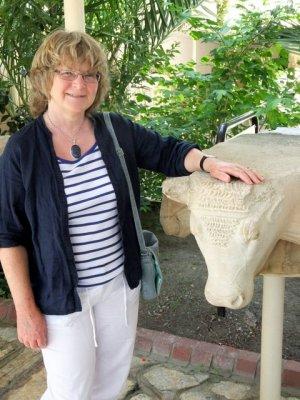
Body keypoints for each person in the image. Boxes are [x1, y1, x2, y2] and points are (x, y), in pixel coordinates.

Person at [0, 30, 263, 400]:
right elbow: (8, 235)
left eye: (90, 74)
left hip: (119, 284)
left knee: (109, 381)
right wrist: (26, 310)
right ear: (46, 78)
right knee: (70, 390)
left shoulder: (113, 130)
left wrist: (209, 161)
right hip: (60, 293)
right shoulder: (22, 151)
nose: (80, 84)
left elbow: (167, 152)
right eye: (67, 73)